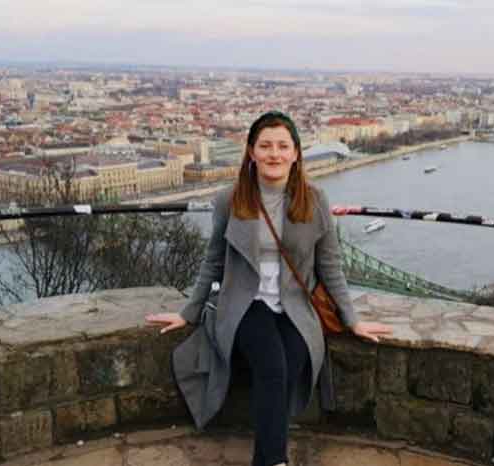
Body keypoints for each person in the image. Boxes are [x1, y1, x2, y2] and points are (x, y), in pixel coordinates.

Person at [145, 111, 392, 466]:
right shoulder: (229, 200)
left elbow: (330, 267)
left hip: (295, 305)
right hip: (244, 304)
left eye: (282, 146)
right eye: (265, 146)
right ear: (251, 151)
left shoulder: (316, 200)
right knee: (273, 368)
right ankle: (272, 460)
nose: (273, 154)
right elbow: (213, 261)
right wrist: (189, 312)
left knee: (291, 362)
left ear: (296, 154)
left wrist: (352, 320)